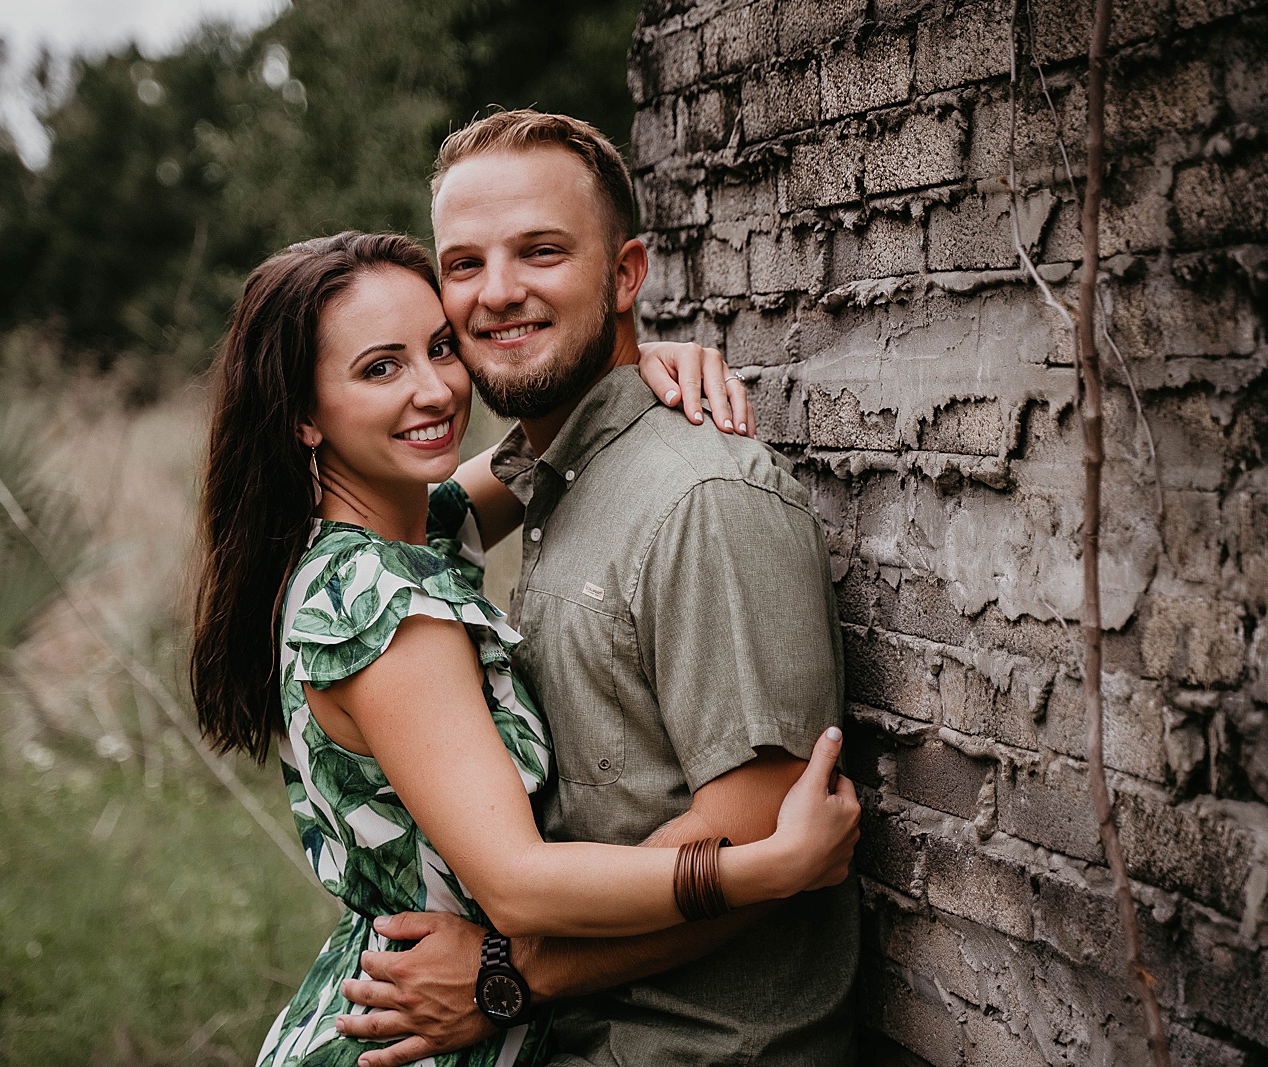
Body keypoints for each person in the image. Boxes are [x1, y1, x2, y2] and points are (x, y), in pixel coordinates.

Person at [189, 230, 860, 1067]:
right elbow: (516, 880)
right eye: (380, 368)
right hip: (415, 1036)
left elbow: (537, 458)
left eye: (439, 348)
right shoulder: (383, 609)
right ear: (303, 417)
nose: (434, 390)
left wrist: (633, 364)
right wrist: (765, 869)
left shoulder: (364, 538)